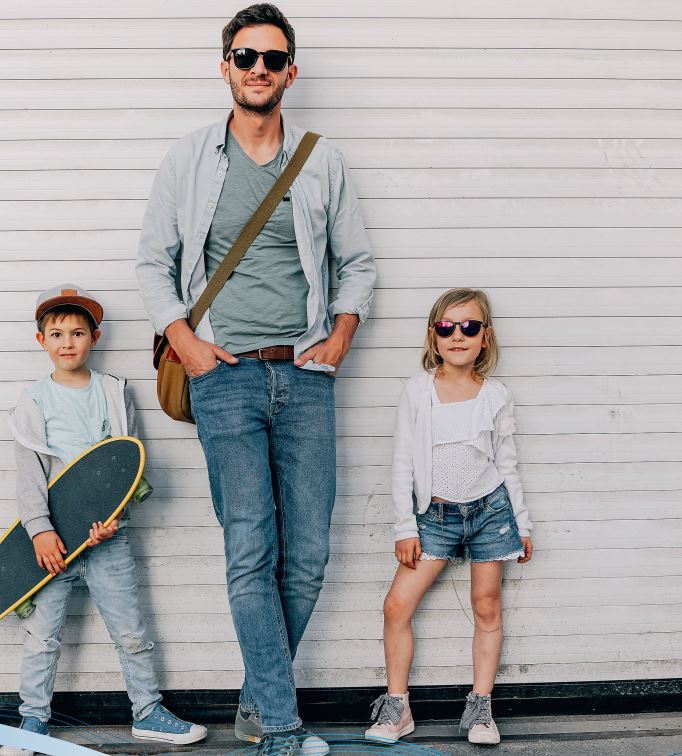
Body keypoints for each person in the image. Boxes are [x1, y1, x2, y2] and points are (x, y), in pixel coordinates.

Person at [135, 4, 375, 753]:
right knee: (252, 551)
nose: (259, 68)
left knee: (306, 558)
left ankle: (254, 702)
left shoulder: (321, 160)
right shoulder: (188, 158)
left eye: (272, 58)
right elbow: (154, 261)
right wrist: (186, 340)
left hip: (303, 375)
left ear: (291, 72)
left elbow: (358, 263)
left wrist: (339, 336)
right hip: (224, 378)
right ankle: (279, 726)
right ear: (226, 67)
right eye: (246, 56)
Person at [1, 284, 207, 756]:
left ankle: (148, 712)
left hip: (106, 537)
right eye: (56, 333)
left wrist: (114, 518)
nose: (67, 342)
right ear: (41, 341)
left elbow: (126, 465)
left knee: (130, 629)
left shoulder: (114, 392)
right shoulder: (31, 404)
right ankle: (33, 720)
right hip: (51, 544)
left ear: (96, 336)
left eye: (77, 332)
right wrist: (40, 530)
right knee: (42, 638)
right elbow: (29, 477)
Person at [364, 288, 533, 747]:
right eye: (446, 327)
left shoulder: (496, 395)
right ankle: (398, 707)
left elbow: (506, 461)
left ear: (485, 336)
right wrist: (404, 526)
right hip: (434, 516)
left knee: (487, 606)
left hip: (490, 512)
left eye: (469, 327)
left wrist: (521, 522)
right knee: (397, 605)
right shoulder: (418, 390)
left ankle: (480, 708)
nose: (457, 335)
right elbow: (403, 460)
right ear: (434, 337)